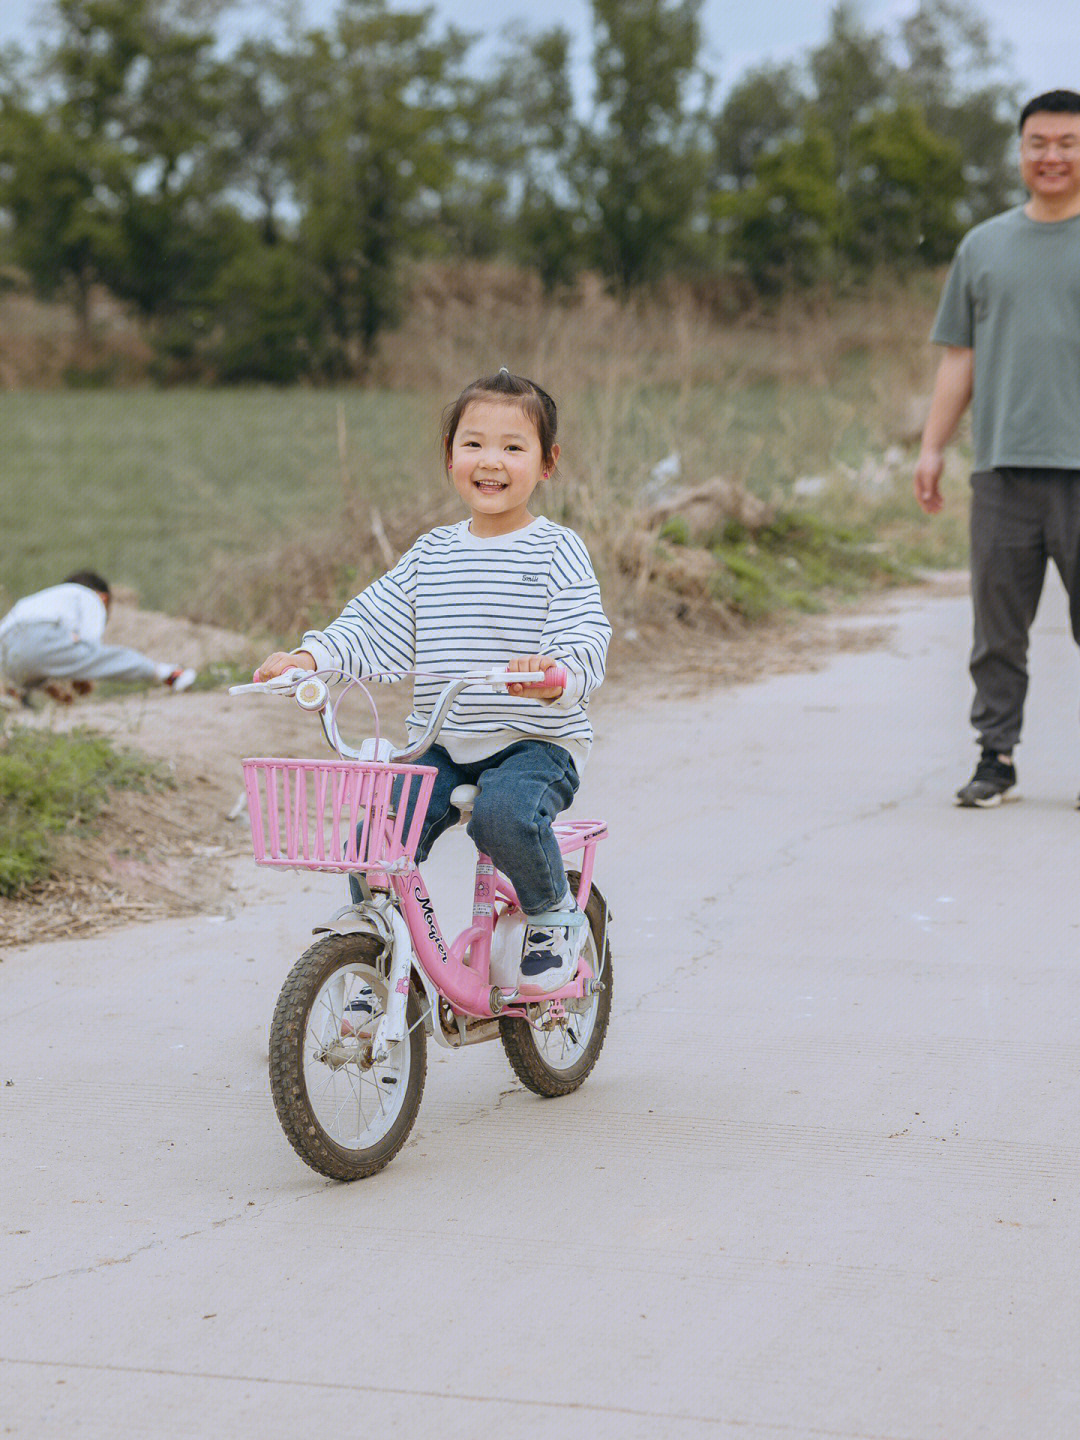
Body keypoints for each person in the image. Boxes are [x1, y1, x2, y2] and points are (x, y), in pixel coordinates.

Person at [254, 369, 611, 992]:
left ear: (547, 463)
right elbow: (372, 624)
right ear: (449, 457)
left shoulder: (556, 549)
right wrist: (310, 659)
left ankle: (552, 914)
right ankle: (371, 945)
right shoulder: (431, 556)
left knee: (503, 815)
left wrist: (556, 674)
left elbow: (584, 632)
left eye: (513, 446)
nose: (490, 461)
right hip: (439, 742)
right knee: (379, 831)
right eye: (473, 444)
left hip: (535, 741)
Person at [914, 89, 1080, 809]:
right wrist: (932, 447)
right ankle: (996, 758)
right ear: (1020, 152)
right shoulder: (984, 245)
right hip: (1004, 468)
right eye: (1039, 143)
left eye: (1068, 142)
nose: (1053, 156)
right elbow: (960, 359)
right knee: (997, 629)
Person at [0, 571, 196, 704]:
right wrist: (83, 672)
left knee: (27, 673)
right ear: (104, 598)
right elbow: (90, 645)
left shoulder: (38, 600)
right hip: (40, 637)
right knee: (112, 657)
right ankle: (168, 674)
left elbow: (29, 655)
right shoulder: (89, 597)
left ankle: (17, 696)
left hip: (6, 653)